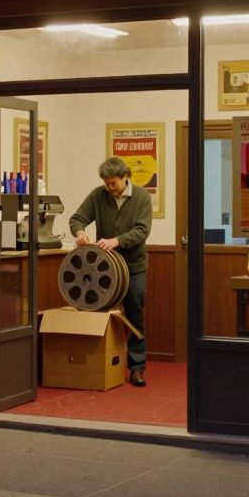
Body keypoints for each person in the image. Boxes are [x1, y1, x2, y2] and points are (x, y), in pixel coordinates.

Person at [68, 156, 152, 387]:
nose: (109, 188)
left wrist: (117, 241)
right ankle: (100, 365)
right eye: (106, 183)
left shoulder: (142, 197)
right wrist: (80, 233)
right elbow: (77, 219)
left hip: (133, 268)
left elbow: (142, 230)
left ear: (126, 177)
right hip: (103, 269)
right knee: (99, 314)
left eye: (113, 183)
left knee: (134, 316)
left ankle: (137, 368)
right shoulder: (98, 195)